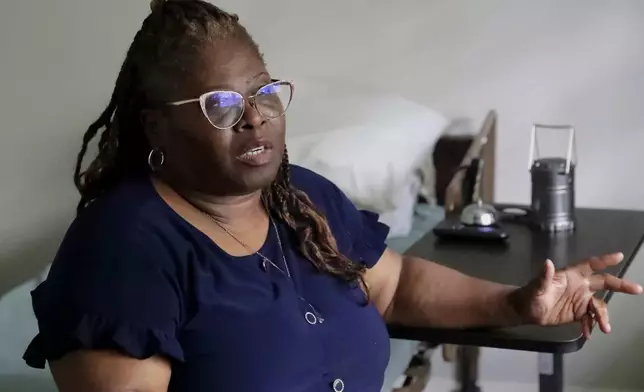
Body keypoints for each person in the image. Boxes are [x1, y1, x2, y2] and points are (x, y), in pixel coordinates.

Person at [23, 1, 642, 391]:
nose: (256, 117)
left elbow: (395, 286)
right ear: (156, 125)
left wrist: (518, 302)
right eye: (222, 105)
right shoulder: (123, 251)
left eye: (264, 92)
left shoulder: (302, 198)